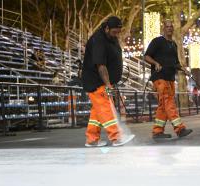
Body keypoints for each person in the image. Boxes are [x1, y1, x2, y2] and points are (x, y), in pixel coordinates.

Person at [82, 16, 134, 147]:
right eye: (114, 32)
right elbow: (101, 65)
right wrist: (108, 84)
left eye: (118, 32)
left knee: (97, 112)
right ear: (106, 28)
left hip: (103, 82)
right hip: (96, 82)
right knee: (106, 109)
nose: (117, 34)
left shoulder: (111, 38)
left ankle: (92, 139)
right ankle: (117, 137)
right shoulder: (98, 40)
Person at [144, 20, 192, 139]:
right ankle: (180, 129)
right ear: (163, 28)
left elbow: (175, 63)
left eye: (171, 26)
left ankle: (157, 131)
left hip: (170, 78)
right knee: (169, 101)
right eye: (167, 26)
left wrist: (183, 69)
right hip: (160, 77)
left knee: (163, 105)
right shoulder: (157, 41)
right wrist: (155, 63)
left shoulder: (173, 44)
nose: (169, 28)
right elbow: (146, 56)